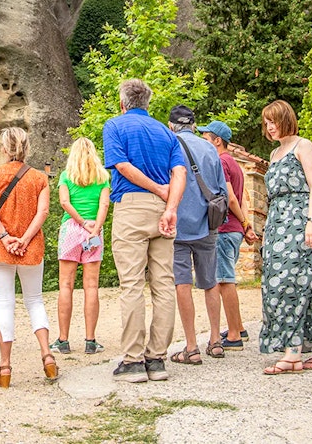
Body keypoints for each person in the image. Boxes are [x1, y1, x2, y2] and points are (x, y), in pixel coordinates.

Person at [102, 79, 187, 383]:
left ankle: (134, 361)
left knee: (132, 284)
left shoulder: (114, 125)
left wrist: (157, 191)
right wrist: (171, 206)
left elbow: (121, 166)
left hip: (132, 207)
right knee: (164, 284)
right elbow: (180, 172)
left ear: (123, 103)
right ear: (148, 103)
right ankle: (157, 359)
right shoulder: (167, 132)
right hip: (164, 210)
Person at [258, 100, 312, 374]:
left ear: (286, 119)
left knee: (289, 283)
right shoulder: (274, 154)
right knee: (309, 284)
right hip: (278, 222)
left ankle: (293, 353)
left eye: (274, 121)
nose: (269, 127)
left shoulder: (303, 146)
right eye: (266, 122)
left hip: (302, 220)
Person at [0, 127, 56, 387]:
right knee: (35, 300)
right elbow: (43, 211)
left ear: (3, 149)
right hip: (31, 246)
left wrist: (4, 237)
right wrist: (24, 239)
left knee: (4, 302)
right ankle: (47, 356)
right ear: (27, 148)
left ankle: (4, 367)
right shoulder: (39, 178)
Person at [166, 106, 226, 365]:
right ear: (194, 124)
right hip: (207, 224)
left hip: (178, 225)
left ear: (171, 125)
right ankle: (215, 341)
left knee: (182, 284)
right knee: (210, 282)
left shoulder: (169, 145)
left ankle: (191, 346)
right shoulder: (210, 148)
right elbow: (221, 188)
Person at [198, 120, 259, 351]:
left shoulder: (221, 162)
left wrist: (244, 222)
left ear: (217, 141)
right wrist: (246, 226)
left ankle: (233, 335)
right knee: (226, 277)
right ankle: (239, 326)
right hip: (235, 229)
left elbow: (231, 198)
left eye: (206, 138)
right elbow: (242, 199)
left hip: (224, 229)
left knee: (224, 280)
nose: (204, 142)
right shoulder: (234, 163)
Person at [51, 137, 110, 356]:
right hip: (94, 230)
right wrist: (94, 228)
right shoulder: (103, 177)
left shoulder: (67, 176)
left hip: (71, 229)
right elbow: (104, 204)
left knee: (65, 285)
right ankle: (90, 340)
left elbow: (65, 202)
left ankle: (63, 340)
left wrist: (80, 221)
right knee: (91, 287)